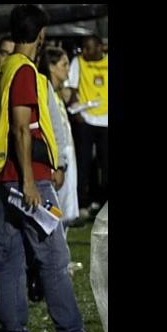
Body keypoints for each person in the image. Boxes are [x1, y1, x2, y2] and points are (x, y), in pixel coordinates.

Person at [0, 4, 107, 332]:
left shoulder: (5, 68)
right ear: (41, 35)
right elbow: (22, 127)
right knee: (54, 257)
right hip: (29, 180)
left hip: (8, 175)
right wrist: (27, 180)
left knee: (11, 256)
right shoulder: (23, 70)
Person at [65, 34, 109, 218]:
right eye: (84, 47)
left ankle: (102, 201)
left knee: (105, 163)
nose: (85, 51)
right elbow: (72, 88)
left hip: (106, 120)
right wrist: (77, 112)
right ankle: (83, 202)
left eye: (89, 48)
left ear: (100, 47)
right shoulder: (78, 62)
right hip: (86, 119)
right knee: (83, 163)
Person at [38, 46, 79, 230]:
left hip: (67, 152)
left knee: (67, 207)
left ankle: (62, 255)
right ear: (52, 67)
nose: (68, 69)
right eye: (64, 64)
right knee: (57, 208)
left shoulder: (56, 93)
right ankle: (57, 257)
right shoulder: (46, 94)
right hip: (57, 157)